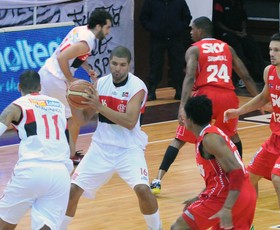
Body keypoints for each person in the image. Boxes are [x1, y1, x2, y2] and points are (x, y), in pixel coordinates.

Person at [150, 16, 259, 194]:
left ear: (200, 31)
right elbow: (246, 76)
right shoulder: (228, 48)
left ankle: (157, 180)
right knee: (233, 137)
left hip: (205, 96)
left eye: (192, 29)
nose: (190, 32)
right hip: (228, 96)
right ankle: (240, 178)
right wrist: (258, 100)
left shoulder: (194, 50)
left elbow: (190, 77)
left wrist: (183, 106)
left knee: (179, 139)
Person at [60, 46, 162, 230]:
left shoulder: (137, 87)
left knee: (143, 190)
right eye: (114, 63)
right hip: (100, 149)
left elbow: (130, 121)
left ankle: (156, 228)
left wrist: (100, 107)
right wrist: (72, 101)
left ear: (129, 65)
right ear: (109, 62)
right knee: (72, 190)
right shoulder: (100, 84)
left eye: (122, 65)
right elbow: (82, 120)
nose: (117, 68)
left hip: (129, 149)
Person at [224, 32, 280, 230]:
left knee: (279, 179)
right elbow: (263, 97)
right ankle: (247, 224)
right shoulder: (270, 72)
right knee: (249, 179)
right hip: (276, 136)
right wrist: (238, 111)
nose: (272, 54)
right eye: (270, 50)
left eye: (276, 50)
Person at [0, 70, 73, 229]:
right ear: (40, 86)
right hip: (60, 173)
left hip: (31, 170)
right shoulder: (59, 106)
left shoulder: (17, 105)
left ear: (19, 87)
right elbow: (70, 144)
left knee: (4, 223)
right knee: (46, 225)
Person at [38, 9, 112, 165]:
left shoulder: (80, 29)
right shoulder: (88, 42)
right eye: (107, 27)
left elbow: (75, 55)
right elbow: (62, 57)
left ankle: (50, 151)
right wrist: (70, 79)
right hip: (56, 79)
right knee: (76, 118)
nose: (108, 31)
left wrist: (87, 69)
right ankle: (70, 153)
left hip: (45, 73)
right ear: (98, 27)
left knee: (46, 115)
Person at [171, 95, 256, 229]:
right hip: (241, 192)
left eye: (185, 115)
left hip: (228, 195)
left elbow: (237, 172)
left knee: (179, 227)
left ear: (190, 120)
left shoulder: (210, 139)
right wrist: (200, 196)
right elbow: (219, 176)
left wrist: (227, 207)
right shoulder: (210, 134)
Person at [140, 0, 192, 101]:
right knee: (155, 64)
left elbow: (187, 17)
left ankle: (179, 90)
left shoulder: (180, 1)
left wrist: (179, 28)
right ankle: (151, 90)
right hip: (157, 38)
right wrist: (153, 29)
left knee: (177, 64)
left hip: (176, 38)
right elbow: (143, 17)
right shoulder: (150, 2)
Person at [213, 0, 266, 86]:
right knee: (236, 47)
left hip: (240, 33)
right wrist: (234, 32)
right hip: (225, 33)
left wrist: (243, 30)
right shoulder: (220, 3)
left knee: (252, 44)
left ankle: (260, 75)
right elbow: (218, 23)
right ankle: (240, 77)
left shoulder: (239, 3)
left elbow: (244, 20)